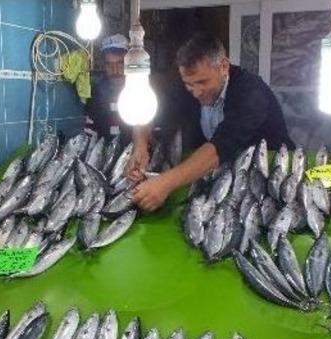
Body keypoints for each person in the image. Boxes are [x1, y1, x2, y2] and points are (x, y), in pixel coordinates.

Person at [126, 32, 294, 211]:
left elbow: (221, 146)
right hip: (226, 174)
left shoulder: (250, 92)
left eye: (202, 82)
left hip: (276, 173)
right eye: (188, 84)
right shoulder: (188, 84)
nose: (196, 91)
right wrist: (140, 145)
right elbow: (147, 110)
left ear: (224, 66)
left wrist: (165, 183)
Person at [85, 34, 130, 141]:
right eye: (109, 64)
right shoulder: (95, 93)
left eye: (120, 64)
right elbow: (89, 132)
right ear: (104, 66)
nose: (115, 71)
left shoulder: (142, 92)